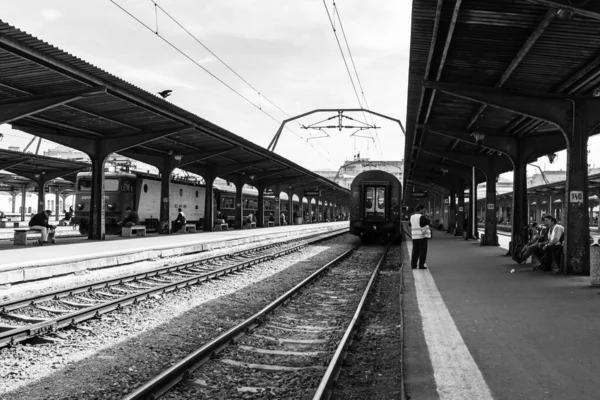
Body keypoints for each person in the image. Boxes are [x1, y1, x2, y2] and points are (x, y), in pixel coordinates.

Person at [409, 204, 431, 269]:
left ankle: (413, 265)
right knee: (422, 251)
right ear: (421, 209)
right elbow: (427, 222)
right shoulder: (421, 217)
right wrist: (428, 217)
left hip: (414, 237)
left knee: (415, 251)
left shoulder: (412, 217)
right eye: (423, 209)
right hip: (421, 237)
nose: (424, 210)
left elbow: (410, 225)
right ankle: (421, 265)